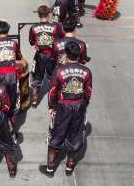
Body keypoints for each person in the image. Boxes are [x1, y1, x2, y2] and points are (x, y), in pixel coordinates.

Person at [40, 41, 92, 178]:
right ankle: (69, 167)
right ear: (79, 54)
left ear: (66, 54)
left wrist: (51, 106)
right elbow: (88, 91)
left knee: (56, 136)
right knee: (75, 136)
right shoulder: (86, 71)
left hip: (62, 106)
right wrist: (83, 105)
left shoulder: (59, 71)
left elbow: (52, 91)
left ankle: (50, 169)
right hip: (78, 105)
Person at [0, 20, 25, 121]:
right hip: (12, 73)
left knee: (1, 93)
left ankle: (2, 113)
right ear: (7, 32)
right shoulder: (14, 43)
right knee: (13, 95)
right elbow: (18, 57)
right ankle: (11, 117)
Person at [29, 5, 64, 107]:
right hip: (52, 55)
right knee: (52, 77)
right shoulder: (55, 26)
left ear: (39, 15)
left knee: (36, 77)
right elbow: (60, 38)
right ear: (49, 14)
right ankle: (54, 99)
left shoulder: (34, 27)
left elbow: (31, 42)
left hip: (39, 55)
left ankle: (35, 100)